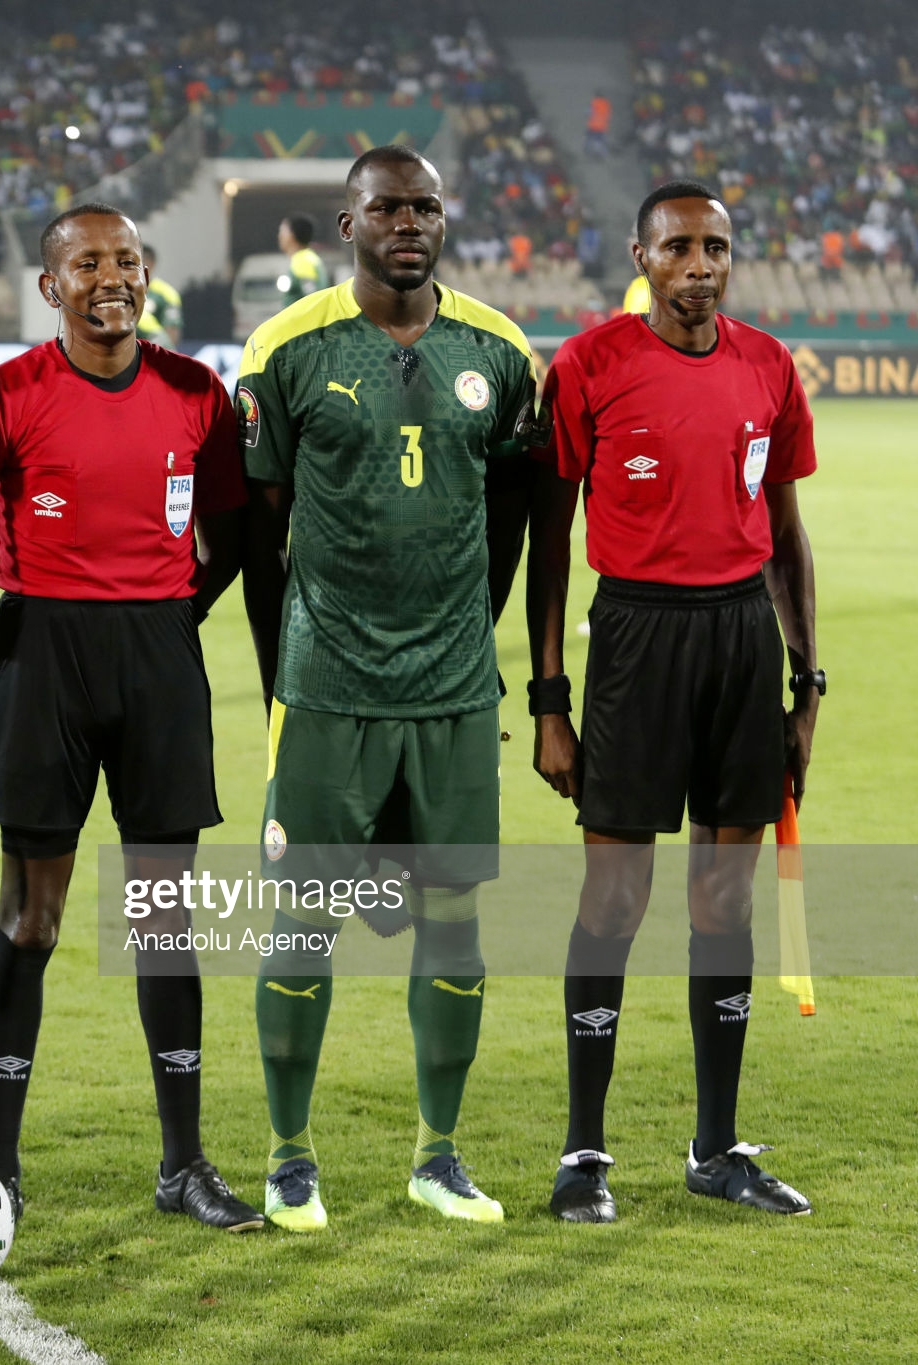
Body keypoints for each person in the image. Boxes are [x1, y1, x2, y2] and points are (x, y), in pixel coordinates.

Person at [0, 203, 258, 1233]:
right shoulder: (6, 394)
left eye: (124, 260)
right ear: (51, 286)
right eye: (86, 263)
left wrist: (174, 616)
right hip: (46, 662)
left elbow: (236, 533)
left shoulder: (193, 393)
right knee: (29, 916)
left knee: (163, 921)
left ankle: (182, 1167)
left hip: (156, 658)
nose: (109, 277)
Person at [237, 146, 539, 1231]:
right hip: (327, 686)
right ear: (345, 221)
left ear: (441, 219)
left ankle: (437, 1157)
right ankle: (286, 1158)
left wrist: (473, 625)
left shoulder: (497, 352)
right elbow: (256, 530)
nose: (406, 223)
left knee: (452, 927)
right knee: (301, 925)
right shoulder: (285, 349)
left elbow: (511, 507)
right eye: (384, 208)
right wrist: (289, 671)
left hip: (454, 688)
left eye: (422, 207)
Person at [529, 181, 819, 1224]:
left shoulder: (765, 363)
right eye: (677, 248)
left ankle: (713, 1147)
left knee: (723, 900)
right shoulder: (587, 365)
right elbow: (547, 537)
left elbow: (784, 534)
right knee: (612, 900)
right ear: (639, 256)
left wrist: (804, 679)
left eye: (715, 247)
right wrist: (549, 700)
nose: (699, 265)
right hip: (634, 639)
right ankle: (582, 1154)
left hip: (741, 638)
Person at [136, 243, 185, 344]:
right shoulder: (122, 290)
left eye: (142, 261)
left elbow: (172, 331)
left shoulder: (167, 293)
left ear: (152, 263)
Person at [278, 214, 329, 309]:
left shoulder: (303, 261)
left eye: (282, 231)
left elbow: (311, 300)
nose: (279, 236)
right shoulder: (306, 258)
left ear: (291, 235)